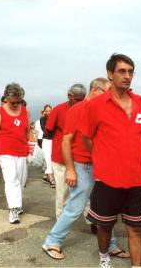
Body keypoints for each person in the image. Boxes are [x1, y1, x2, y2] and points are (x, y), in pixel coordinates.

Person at [42, 77, 129, 261]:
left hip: (99, 166)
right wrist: (71, 170)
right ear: (96, 90)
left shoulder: (101, 109)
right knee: (75, 208)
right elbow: (66, 141)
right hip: (82, 166)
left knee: (106, 209)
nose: (110, 95)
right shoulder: (78, 109)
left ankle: (111, 245)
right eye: (107, 91)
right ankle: (52, 241)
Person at [80, 54, 141, 268]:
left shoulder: (139, 102)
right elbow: (86, 137)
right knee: (105, 226)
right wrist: (102, 158)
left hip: (136, 179)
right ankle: (103, 257)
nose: (127, 76)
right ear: (110, 74)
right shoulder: (96, 105)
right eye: (122, 71)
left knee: (136, 228)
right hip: (107, 179)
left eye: (130, 71)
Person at [0, 83, 34, 224]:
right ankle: (13, 209)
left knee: (21, 180)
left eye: (19, 102)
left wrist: (33, 149)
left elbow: (28, 131)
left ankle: (17, 203)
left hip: (22, 151)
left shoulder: (25, 111)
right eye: (13, 102)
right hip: (5, 151)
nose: (16, 104)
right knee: (11, 180)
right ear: (6, 99)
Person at [45, 84, 86, 219]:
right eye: (78, 100)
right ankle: (60, 219)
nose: (81, 102)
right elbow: (48, 131)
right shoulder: (58, 110)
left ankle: (91, 221)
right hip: (60, 157)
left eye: (82, 99)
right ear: (69, 96)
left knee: (86, 190)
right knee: (62, 192)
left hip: (80, 157)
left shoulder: (86, 109)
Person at [38, 105, 55, 187]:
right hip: (46, 141)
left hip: (54, 141)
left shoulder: (55, 118)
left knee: (52, 159)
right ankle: (51, 179)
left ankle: (46, 176)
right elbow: (45, 129)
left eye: (50, 110)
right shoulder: (42, 119)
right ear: (44, 111)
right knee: (48, 159)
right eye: (47, 110)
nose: (48, 112)